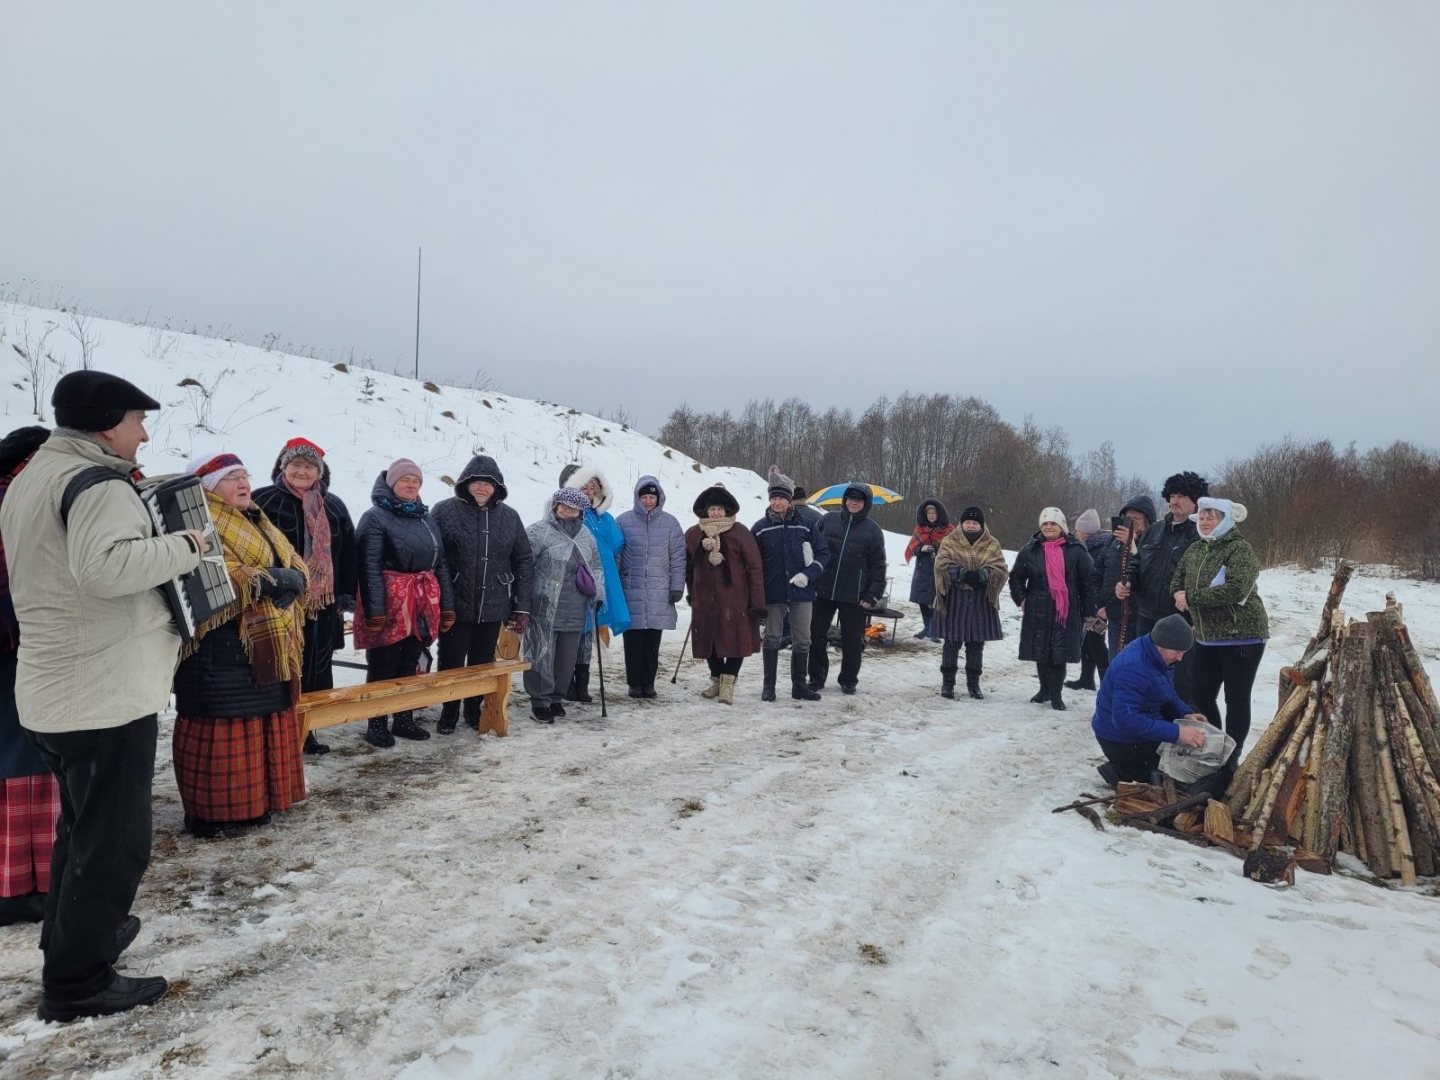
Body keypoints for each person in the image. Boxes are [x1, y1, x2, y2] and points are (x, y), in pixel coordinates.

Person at [0, 370, 206, 1022]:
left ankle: (74, 936)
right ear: (105, 423)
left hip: (54, 687)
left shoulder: (36, 474)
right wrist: (189, 545)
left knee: (80, 827)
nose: (144, 434)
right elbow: (105, 569)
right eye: (137, 420)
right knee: (113, 842)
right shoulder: (99, 485)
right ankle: (77, 981)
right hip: (102, 693)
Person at [172, 452, 309, 839]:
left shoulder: (255, 517)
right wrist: (274, 580)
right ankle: (218, 812)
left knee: (261, 718)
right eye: (232, 477)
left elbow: (294, 561)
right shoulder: (199, 521)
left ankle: (258, 801)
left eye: (244, 475)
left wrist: (292, 578)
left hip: (263, 641)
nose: (243, 483)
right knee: (226, 722)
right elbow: (213, 573)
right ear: (209, 487)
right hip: (220, 642)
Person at [251, 437, 358, 755]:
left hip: (322, 606)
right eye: (295, 464)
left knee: (315, 664)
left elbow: (349, 553)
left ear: (320, 471)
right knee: (282, 663)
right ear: (283, 467)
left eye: (309, 466)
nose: (302, 471)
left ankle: (306, 731)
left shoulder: (334, 505)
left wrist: (345, 596)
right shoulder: (262, 501)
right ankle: (274, 731)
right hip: (279, 604)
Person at [353, 458, 455, 747]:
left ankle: (403, 718)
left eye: (416, 481)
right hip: (391, 599)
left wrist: (447, 604)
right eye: (404, 481)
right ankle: (377, 722)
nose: (411, 485)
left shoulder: (425, 517)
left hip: (422, 600)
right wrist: (374, 610)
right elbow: (368, 564)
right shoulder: (374, 517)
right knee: (384, 661)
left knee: (411, 658)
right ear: (391, 484)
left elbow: (441, 563)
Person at [0, 426, 58, 928]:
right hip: (15, 653)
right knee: (23, 759)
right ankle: (19, 886)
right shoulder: (16, 502)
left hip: (18, 648)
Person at [431, 455, 533, 732]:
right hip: (455, 602)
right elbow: (433, 555)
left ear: (496, 487)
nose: (481, 488)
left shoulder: (510, 517)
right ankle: (448, 712)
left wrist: (521, 606)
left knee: (481, 662)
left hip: (494, 604)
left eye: (488, 484)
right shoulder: (443, 511)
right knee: (451, 660)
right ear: (465, 483)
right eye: (476, 482)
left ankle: (472, 711)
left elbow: (523, 560)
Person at [1171, 497, 1269, 763]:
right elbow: (1177, 578)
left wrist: (1191, 597)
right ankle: (1214, 746)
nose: (1204, 522)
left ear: (1225, 520)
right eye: (1202, 517)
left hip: (1242, 636)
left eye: (1211, 517)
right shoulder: (1195, 549)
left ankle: (1232, 755)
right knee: (1201, 694)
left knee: (1236, 698)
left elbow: (1237, 588)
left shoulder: (1240, 550)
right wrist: (1179, 591)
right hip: (1205, 637)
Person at [1091, 614, 1209, 787]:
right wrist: (1177, 733)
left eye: (1183, 653)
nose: (1180, 658)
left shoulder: (1158, 656)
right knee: (1172, 773)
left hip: (1141, 726)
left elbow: (1165, 692)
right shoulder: (1133, 667)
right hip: (1119, 738)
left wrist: (1186, 714)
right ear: (1162, 644)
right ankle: (1120, 771)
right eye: (1177, 652)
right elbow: (1125, 719)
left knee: (1184, 762)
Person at [1120, 471, 1208, 703]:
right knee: (1145, 671)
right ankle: (1144, 719)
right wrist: (1129, 581)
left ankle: (1179, 725)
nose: (1174, 500)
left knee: (1181, 679)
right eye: (1172, 495)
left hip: (1182, 620)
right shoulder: (1154, 530)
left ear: (1196, 501)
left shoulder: (1201, 536)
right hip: (1147, 615)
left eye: (1182, 495)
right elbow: (1137, 563)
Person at [523, 488, 604, 723]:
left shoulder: (585, 535)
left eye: (574, 508)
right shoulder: (539, 531)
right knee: (541, 654)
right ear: (555, 505)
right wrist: (522, 600)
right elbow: (523, 566)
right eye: (564, 506)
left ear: (581, 511)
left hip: (575, 605)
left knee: (566, 657)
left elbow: (596, 565)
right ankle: (539, 701)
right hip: (544, 605)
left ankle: (556, 698)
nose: (568, 511)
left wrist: (598, 593)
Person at [751, 466, 829, 702]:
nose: (777, 502)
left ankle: (799, 685)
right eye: (773, 498)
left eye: (781, 499)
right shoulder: (760, 528)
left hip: (802, 592)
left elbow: (823, 553)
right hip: (773, 591)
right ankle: (769, 686)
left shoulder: (806, 525)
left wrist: (809, 574)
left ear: (789, 501)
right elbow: (752, 562)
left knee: (803, 638)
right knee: (772, 637)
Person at [686, 484, 766, 705]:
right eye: (712, 509)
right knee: (708, 640)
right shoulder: (694, 534)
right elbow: (688, 567)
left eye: (721, 509)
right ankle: (716, 680)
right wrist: (692, 593)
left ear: (728, 510)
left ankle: (728, 684)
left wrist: (757, 600)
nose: (717, 513)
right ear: (705, 511)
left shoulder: (740, 532)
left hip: (735, 599)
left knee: (735, 640)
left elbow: (755, 567)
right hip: (704, 600)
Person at [1009, 507, 1095, 711]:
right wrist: (1021, 598)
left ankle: (1056, 694)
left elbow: (1089, 581)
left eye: (1053, 524)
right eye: (1045, 523)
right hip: (1037, 609)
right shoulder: (1030, 549)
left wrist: (1088, 609)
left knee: (1058, 653)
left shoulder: (1076, 550)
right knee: (1041, 652)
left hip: (1065, 611)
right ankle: (1043, 690)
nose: (1049, 527)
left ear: (1062, 527)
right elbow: (1016, 578)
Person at [557, 464, 629, 704]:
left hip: (600, 578)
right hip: (575, 578)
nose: (588, 492)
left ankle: (582, 683)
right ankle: (567, 682)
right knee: (575, 629)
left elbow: (616, 544)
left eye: (592, 488)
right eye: (583, 487)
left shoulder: (604, 518)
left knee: (589, 631)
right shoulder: (569, 515)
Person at [809, 484, 887, 695]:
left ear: (866, 504)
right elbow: (811, 549)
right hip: (823, 590)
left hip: (854, 596)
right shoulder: (827, 520)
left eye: (858, 500)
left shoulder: (873, 530)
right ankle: (816, 677)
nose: (853, 503)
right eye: (850, 499)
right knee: (816, 636)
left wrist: (871, 595)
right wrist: (810, 578)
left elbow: (878, 566)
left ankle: (849, 679)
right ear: (844, 500)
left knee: (852, 640)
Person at [615, 475, 685, 699]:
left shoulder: (671, 523)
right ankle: (634, 683)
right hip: (630, 588)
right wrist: (614, 587)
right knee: (633, 640)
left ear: (658, 498)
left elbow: (678, 558)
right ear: (637, 497)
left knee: (653, 641)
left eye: (651, 497)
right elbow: (616, 556)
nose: (647, 501)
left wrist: (677, 586)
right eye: (643, 496)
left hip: (659, 590)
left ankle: (649, 683)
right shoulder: (623, 521)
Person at [932, 506, 1008, 700]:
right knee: (951, 643)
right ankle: (947, 683)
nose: (971, 525)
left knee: (975, 645)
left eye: (975, 522)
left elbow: (1001, 568)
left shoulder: (992, 543)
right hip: (954, 599)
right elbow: (940, 564)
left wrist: (984, 574)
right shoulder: (950, 541)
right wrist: (961, 573)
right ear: (961, 523)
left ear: (982, 525)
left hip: (980, 600)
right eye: (968, 522)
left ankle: (974, 685)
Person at [1091, 495, 1156, 660]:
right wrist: (1099, 604)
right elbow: (1097, 572)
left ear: (1147, 520)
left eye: (1137, 518)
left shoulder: (1153, 542)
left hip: (1139, 618)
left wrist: (1132, 543)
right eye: (1128, 517)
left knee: (1136, 664)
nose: (1132, 521)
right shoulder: (1112, 541)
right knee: (1116, 662)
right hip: (1114, 615)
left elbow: (1148, 572)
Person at [1065, 509, 1111, 692]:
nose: (1076, 533)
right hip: (1086, 602)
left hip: (1097, 604)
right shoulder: (1084, 546)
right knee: (1086, 641)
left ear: (1087, 531)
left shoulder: (1098, 549)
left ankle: (1106, 681)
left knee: (1096, 642)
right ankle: (1086, 679)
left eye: (1079, 530)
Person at [905, 499, 953, 640]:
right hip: (923, 569)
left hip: (941, 570)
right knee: (923, 600)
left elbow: (955, 549)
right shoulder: (920, 529)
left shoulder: (949, 530)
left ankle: (935, 630)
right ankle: (927, 628)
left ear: (939, 514)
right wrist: (922, 548)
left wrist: (939, 549)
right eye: (929, 513)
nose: (931, 515)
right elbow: (912, 548)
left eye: (934, 513)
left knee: (937, 601)